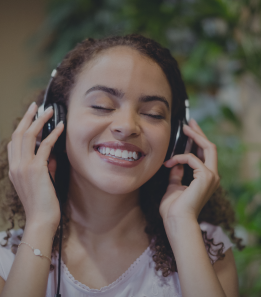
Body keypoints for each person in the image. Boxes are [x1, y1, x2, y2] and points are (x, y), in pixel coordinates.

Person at [0, 34, 243, 297]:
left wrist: (181, 225)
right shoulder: (8, 259)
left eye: (153, 113)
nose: (127, 127)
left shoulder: (206, 247)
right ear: (55, 121)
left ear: (176, 138)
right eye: (102, 106)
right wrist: (40, 224)